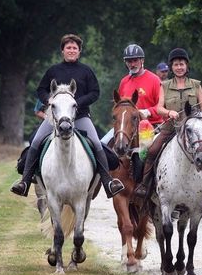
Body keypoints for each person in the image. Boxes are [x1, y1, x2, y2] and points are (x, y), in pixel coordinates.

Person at [10, 34, 125, 199]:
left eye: (75, 48)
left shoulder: (86, 71)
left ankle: (108, 182)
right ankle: (25, 182)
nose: (71, 51)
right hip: (55, 118)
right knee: (36, 141)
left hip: (80, 117)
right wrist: (48, 100)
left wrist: (77, 102)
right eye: (68, 48)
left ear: (79, 52)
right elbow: (41, 89)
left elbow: (95, 93)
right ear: (62, 51)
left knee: (96, 143)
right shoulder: (53, 71)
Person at [132, 47, 202, 207]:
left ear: (187, 66)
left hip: (194, 127)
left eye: (182, 64)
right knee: (151, 151)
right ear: (172, 67)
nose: (179, 67)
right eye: (176, 64)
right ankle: (145, 185)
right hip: (172, 127)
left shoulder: (196, 85)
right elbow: (158, 108)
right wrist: (168, 111)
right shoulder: (164, 85)